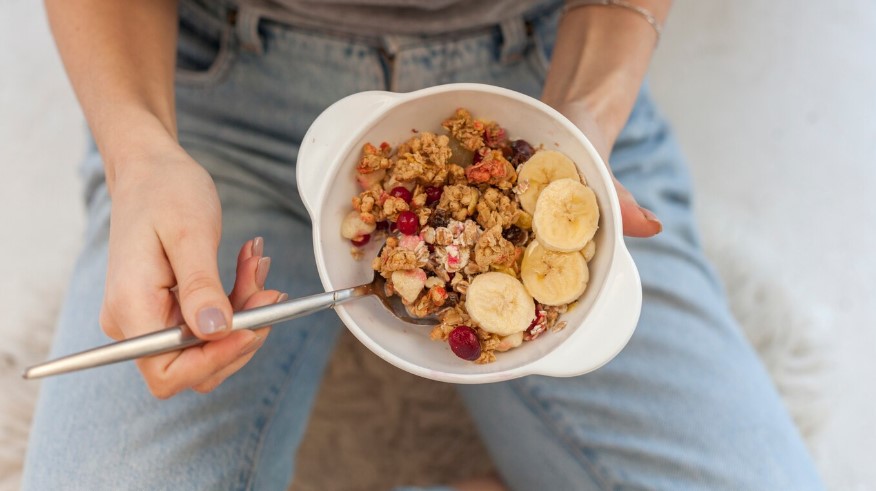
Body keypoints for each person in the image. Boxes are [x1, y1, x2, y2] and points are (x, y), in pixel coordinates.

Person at [23, 0, 824, 489]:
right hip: (213, 105)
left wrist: (587, 117)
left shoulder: (555, 168)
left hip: (549, 92)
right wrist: (141, 155)